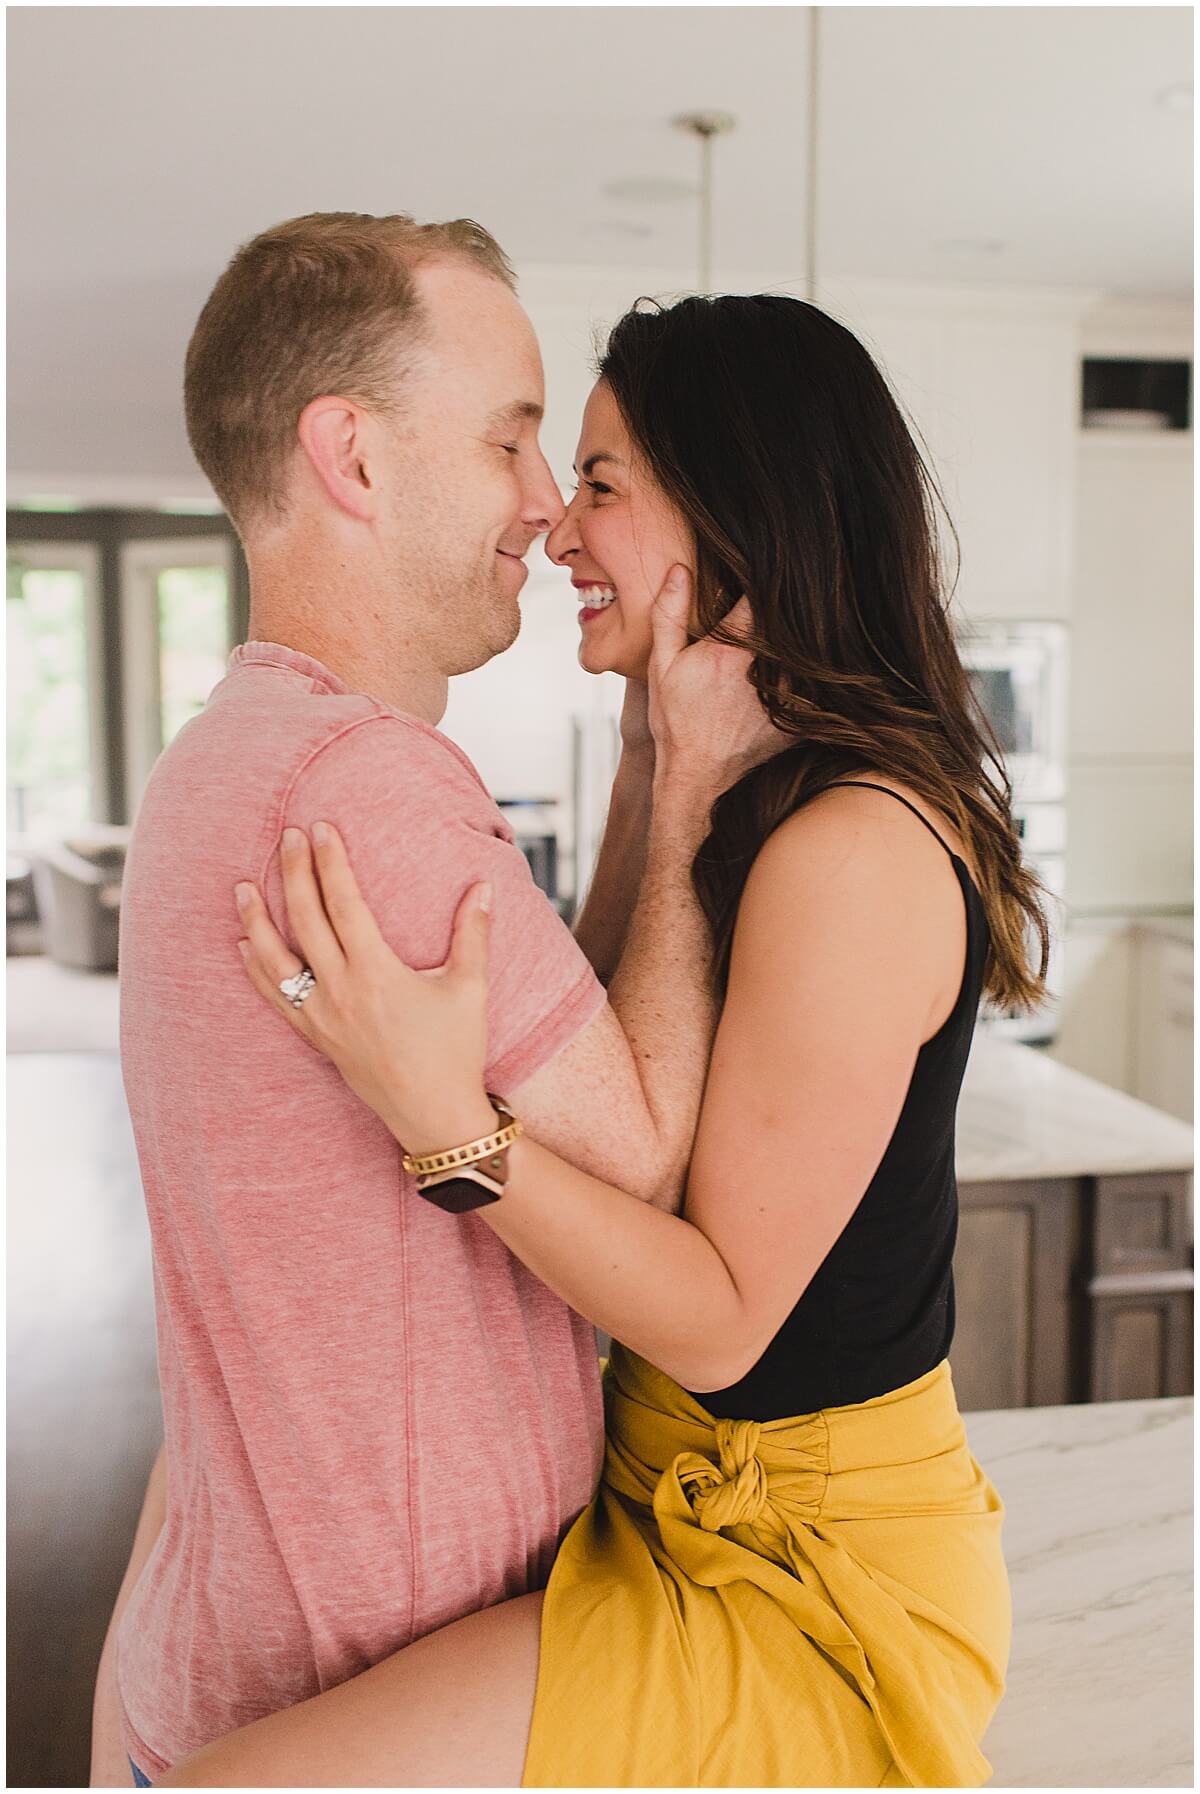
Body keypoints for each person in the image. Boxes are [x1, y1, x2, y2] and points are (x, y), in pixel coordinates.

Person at [155, 294, 1049, 1788]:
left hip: (804, 1579)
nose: (557, 528)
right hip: (661, 1500)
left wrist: (444, 1126)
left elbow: (713, 1316)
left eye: (601, 482)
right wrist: (655, 762)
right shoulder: (732, 780)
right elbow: (603, 1070)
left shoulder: (852, 848)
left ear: (737, 499)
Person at [91, 215, 788, 1787]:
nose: (547, 507)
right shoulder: (369, 790)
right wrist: (690, 796)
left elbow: (561, 1051)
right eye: (511, 436)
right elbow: (644, 1161)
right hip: (374, 1704)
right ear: (351, 453)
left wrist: (638, 769)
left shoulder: (229, 763)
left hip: (225, 1674)